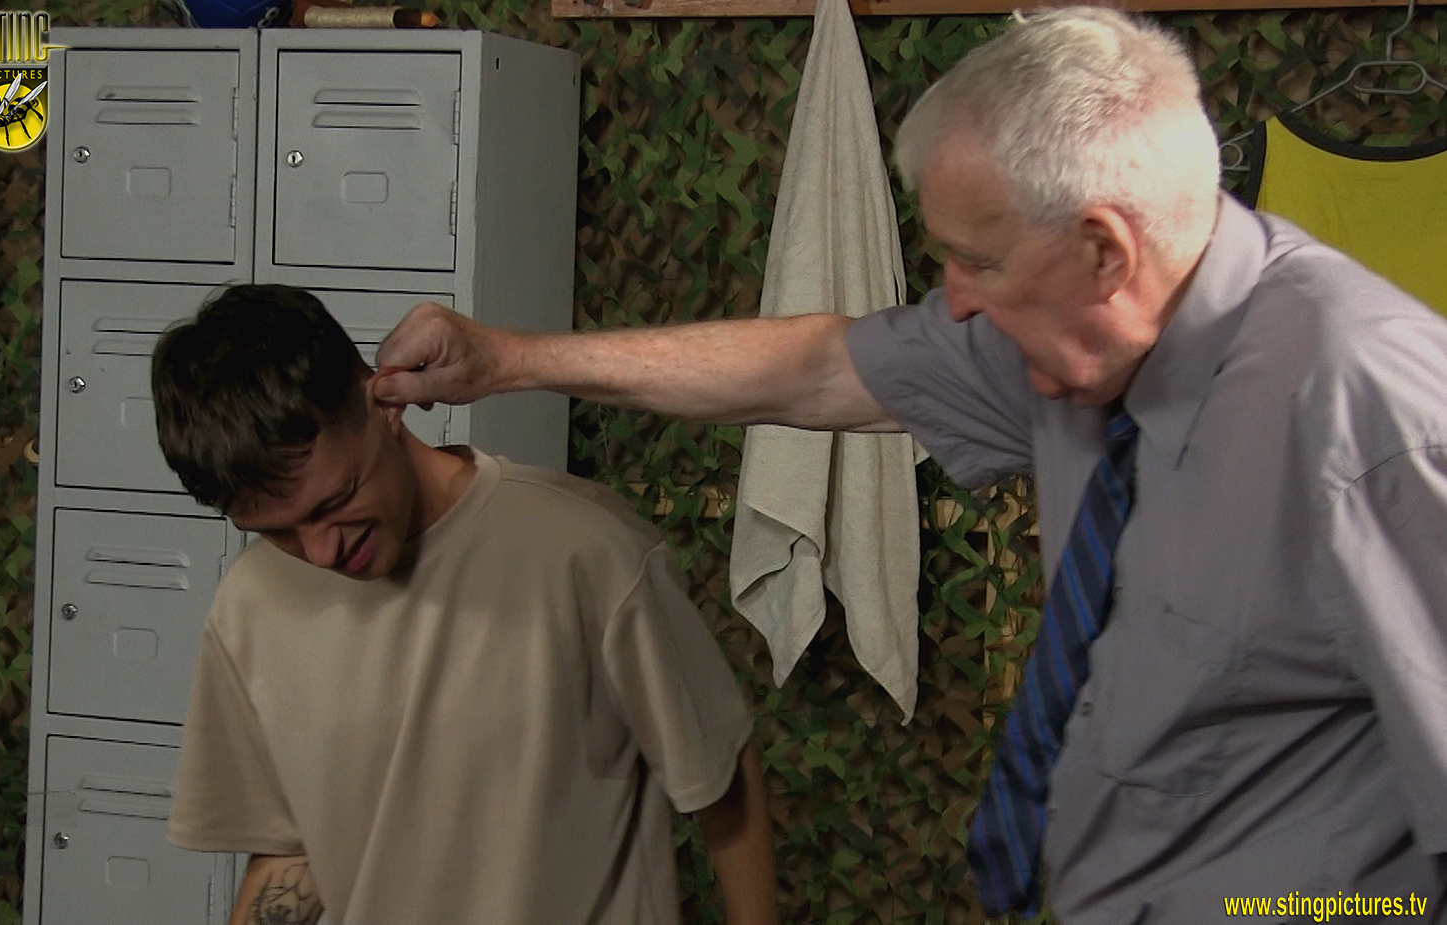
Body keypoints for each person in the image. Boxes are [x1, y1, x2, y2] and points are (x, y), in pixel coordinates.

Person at [371, 7, 1447, 924]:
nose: (956, 300)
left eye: (977, 261)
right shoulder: (1073, 339)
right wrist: (511, 360)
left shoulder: (1373, 417)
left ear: (1104, 249)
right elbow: (818, 365)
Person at [150, 284, 778, 925]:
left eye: (334, 501)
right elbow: (297, 851)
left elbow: (723, 780)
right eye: (277, 531)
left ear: (383, 405)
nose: (319, 551)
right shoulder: (250, 605)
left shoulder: (586, 550)